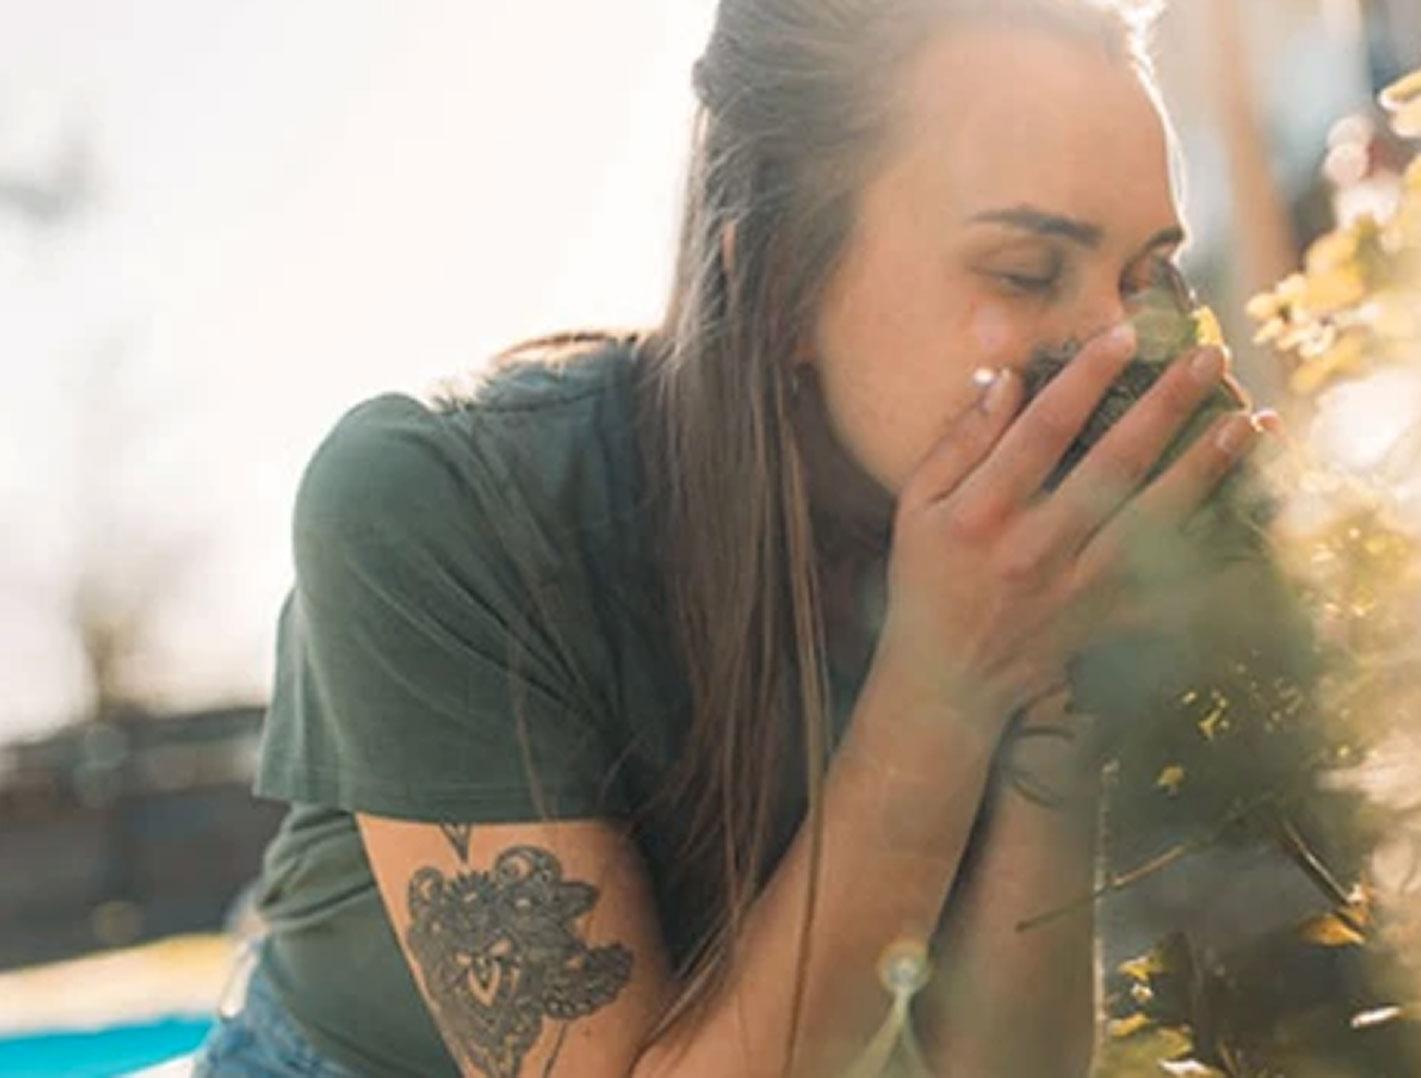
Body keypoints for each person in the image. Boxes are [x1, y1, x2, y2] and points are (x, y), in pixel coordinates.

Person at [191, 0, 1279, 1074]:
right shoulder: (438, 501)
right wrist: (945, 682)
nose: (1115, 343)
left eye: (1145, 279)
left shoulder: (1006, 561)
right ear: (779, 283)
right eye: (1025, 270)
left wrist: (1055, 695)